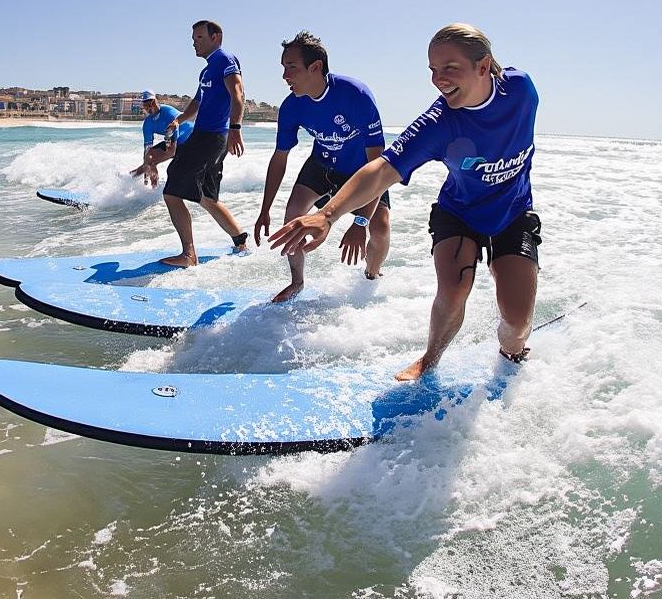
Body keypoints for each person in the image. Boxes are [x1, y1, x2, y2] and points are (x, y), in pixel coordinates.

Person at [271, 23, 539, 381]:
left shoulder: (521, 90)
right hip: (460, 213)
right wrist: (328, 213)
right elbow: (380, 170)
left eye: (449, 68)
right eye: (432, 70)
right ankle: (430, 358)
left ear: (484, 65)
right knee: (453, 290)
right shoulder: (438, 123)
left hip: (514, 213)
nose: (439, 80)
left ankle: (512, 355)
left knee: (517, 322)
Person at [253, 32, 392, 302]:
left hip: (362, 170)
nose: (284, 76)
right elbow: (279, 158)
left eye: (291, 67)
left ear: (315, 67)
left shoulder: (356, 96)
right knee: (293, 214)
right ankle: (297, 282)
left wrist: (360, 221)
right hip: (323, 165)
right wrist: (265, 209)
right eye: (283, 68)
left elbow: (379, 164)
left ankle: (371, 278)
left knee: (380, 227)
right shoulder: (291, 107)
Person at [159, 20, 250, 267]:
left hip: (211, 137)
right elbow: (197, 104)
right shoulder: (206, 71)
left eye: (199, 38)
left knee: (171, 192)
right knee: (207, 196)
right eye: (193, 38)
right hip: (208, 137)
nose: (194, 43)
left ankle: (189, 254)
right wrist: (179, 119)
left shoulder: (224, 60)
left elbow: (238, 95)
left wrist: (235, 129)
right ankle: (240, 240)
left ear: (215, 37)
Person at [130, 91, 194, 186]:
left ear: (155, 101)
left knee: (153, 163)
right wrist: (147, 164)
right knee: (149, 158)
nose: (148, 107)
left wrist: (152, 164)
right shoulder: (148, 123)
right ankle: (129, 179)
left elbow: (172, 152)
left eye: (150, 103)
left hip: (191, 141)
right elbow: (147, 151)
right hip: (175, 140)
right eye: (145, 105)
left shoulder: (169, 113)